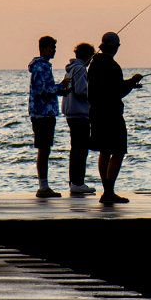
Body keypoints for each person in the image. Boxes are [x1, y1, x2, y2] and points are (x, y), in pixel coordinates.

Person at [87, 31, 143, 204]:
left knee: (104, 151)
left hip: (96, 113)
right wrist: (133, 81)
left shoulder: (94, 64)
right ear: (115, 47)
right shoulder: (112, 66)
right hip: (111, 114)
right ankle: (109, 191)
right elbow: (118, 91)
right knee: (118, 151)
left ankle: (106, 190)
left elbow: (108, 88)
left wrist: (129, 83)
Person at [28, 35, 71, 198]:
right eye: (52, 48)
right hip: (42, 114)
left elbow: (46, 88)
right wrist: (61, 87)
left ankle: (44, 186)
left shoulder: (42, 66)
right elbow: (42, 91)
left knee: (45, 149)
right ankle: (43, 187)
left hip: (43, 113)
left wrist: (61, 88)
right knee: (44, 149)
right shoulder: (41, 67)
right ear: (44, 48)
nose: (54, 51)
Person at [62, 42, 97, 196]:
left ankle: (74, 182)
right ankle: (78, 182)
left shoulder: (70, 70)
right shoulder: (81, 69)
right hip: (80, 113)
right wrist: (94, 95)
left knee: (75, 148)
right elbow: (81, 90)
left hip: (71, 112)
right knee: (81, 149)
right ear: (88, 56)